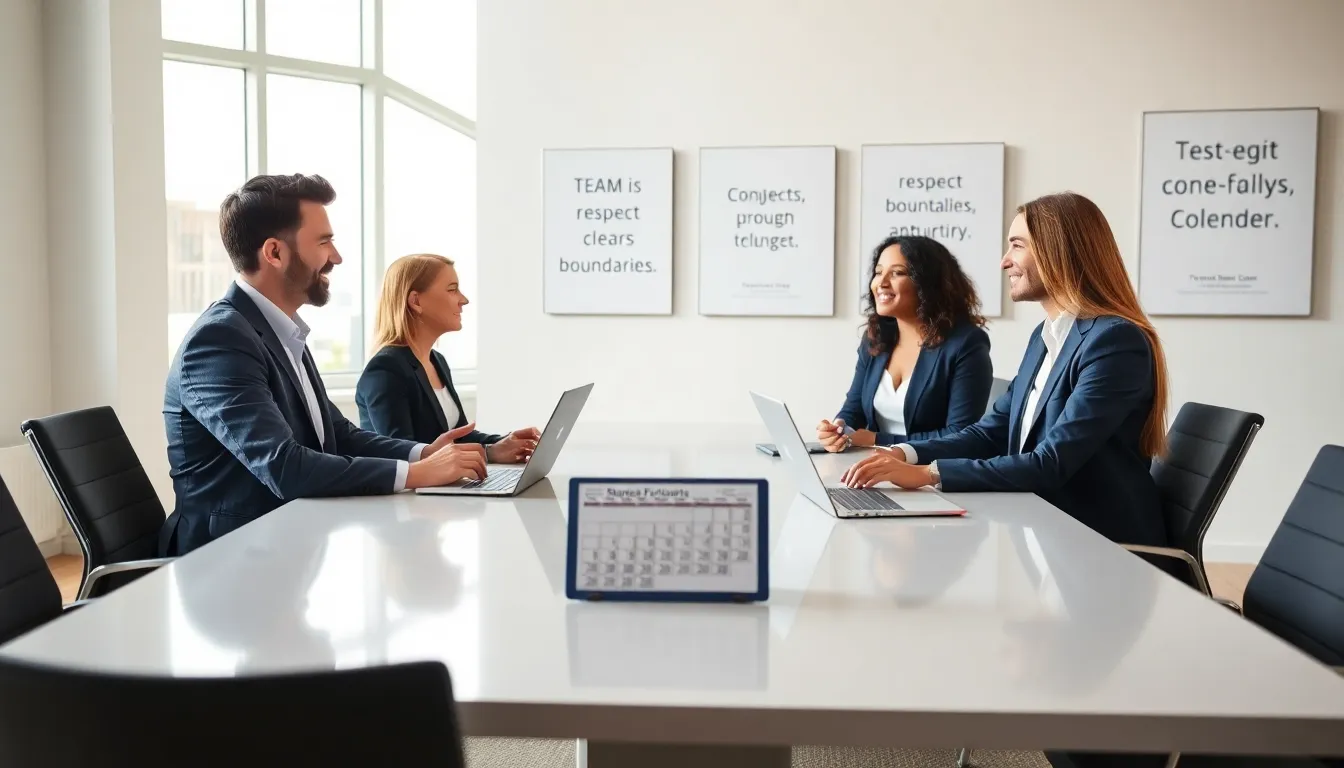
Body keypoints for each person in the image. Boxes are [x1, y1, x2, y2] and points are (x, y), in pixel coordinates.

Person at [160, 173, 487, 557]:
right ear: (275, 253)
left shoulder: (281, 332)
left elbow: (338, 435)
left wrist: (421, 454)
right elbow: (284, 466)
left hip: (289, 544)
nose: (336, 257)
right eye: (324, 242)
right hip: (227, 561)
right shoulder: (219, 341)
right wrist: (415, 475)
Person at [841, 191, 1171, 550]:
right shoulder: (1045, 337)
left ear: (1056, 250)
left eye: (1017, 246)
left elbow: (1051, 462)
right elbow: (990, 433)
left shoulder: (1115, 342)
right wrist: (904, 453)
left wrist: (928, 474)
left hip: (1097, 543)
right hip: (1041, 526)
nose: (1004, 262)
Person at [355, 253, 539, 462]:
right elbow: (402, 453)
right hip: (408, 493)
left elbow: (459, 435)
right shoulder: (385, 369)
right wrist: (487, 453)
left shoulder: (437, 361)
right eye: (452, 290)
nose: (464, 300)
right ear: (416, 301)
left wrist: (502, 443)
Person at [817, 235, 993, 452]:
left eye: (897, 273)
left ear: (927, 284)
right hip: (869, 467)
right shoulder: (876, 338)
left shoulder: (966, 344)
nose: (881, 283)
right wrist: (838, 430)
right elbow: (854, 410)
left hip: (927, 474)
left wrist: (877, 440)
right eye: (878, 272)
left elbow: (960, 434)